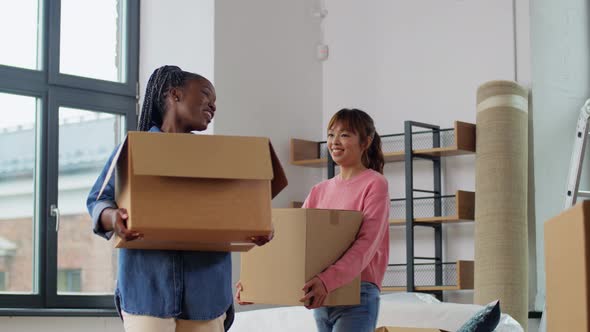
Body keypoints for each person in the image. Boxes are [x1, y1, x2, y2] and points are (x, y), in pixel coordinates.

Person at [87, 65, 269, 332]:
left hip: (207, 292)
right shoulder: (133, 148)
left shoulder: (220, 157)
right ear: (175, 94)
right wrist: (113, 217)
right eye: (207, 95)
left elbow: (241, 205)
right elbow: (98, 200)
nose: (213, 106)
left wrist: (257, 226)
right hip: (146, 290)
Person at [236, 108, 390, 332]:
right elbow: (292, 241)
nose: (335, 142)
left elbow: (367, 244)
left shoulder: (375, 183)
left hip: (357, 291)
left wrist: (327, 280)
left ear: (365, 142)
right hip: (320, 296)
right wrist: (256, 283)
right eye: (330, 135)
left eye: (345, 135)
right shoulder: (320, 190)